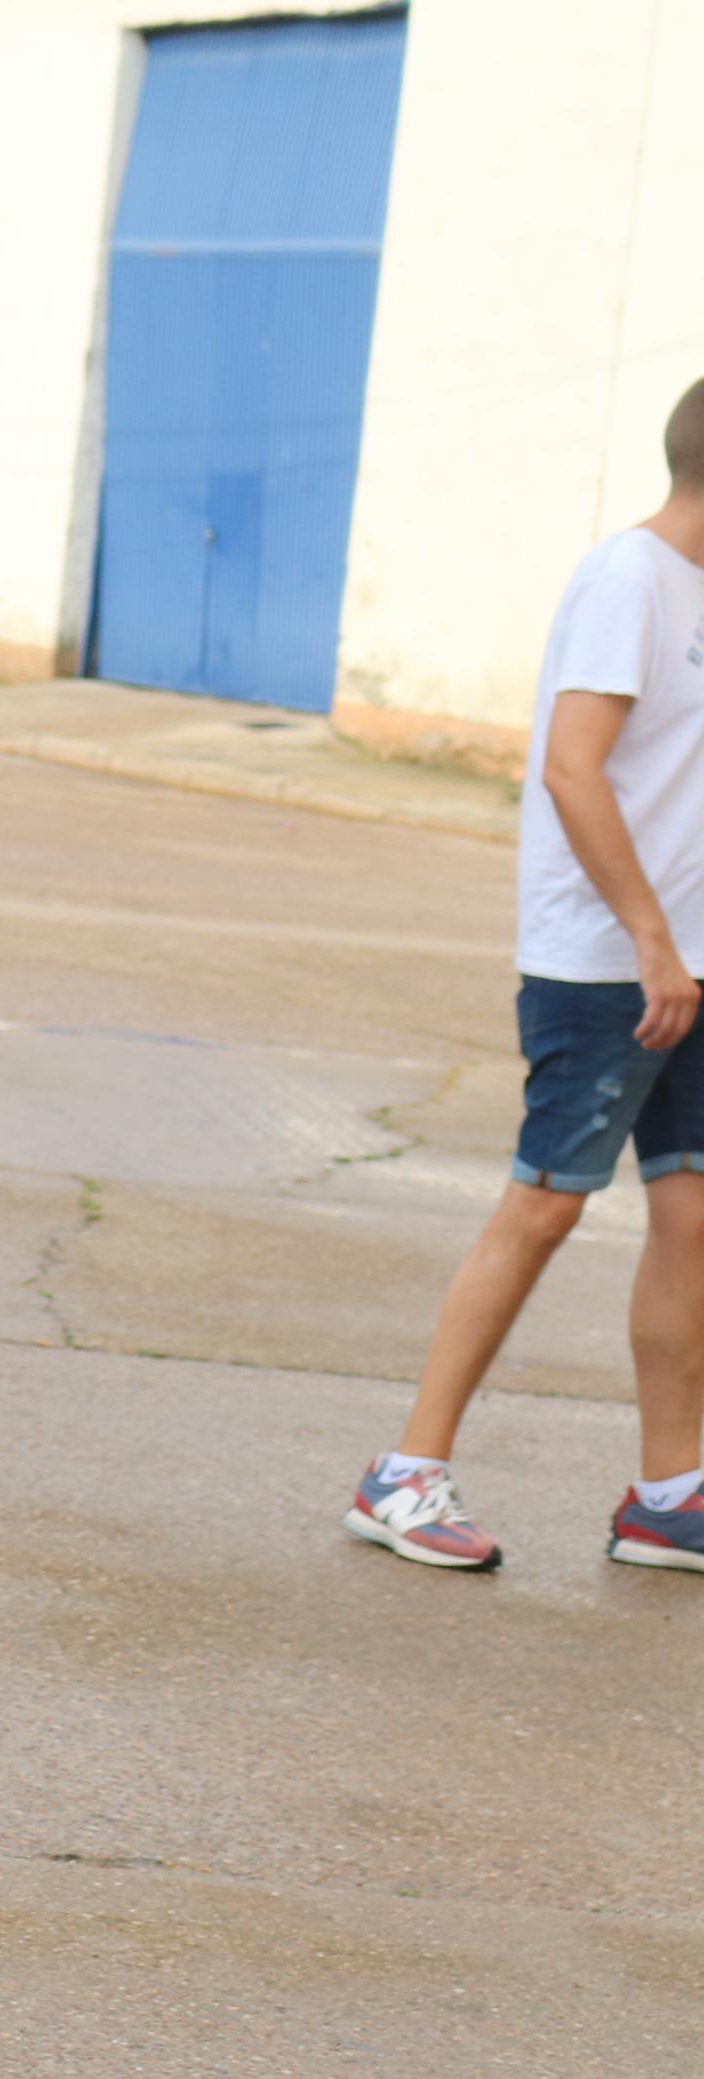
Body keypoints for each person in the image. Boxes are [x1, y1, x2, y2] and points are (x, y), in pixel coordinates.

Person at [352, 377, 704, 1575]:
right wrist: (651, 938)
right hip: (609, 963)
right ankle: (402, 1472)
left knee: (692, 1218)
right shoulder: (628, 580)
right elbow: (571, 769)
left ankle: (668, 1495)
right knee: (545, 1203)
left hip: (687, 964)